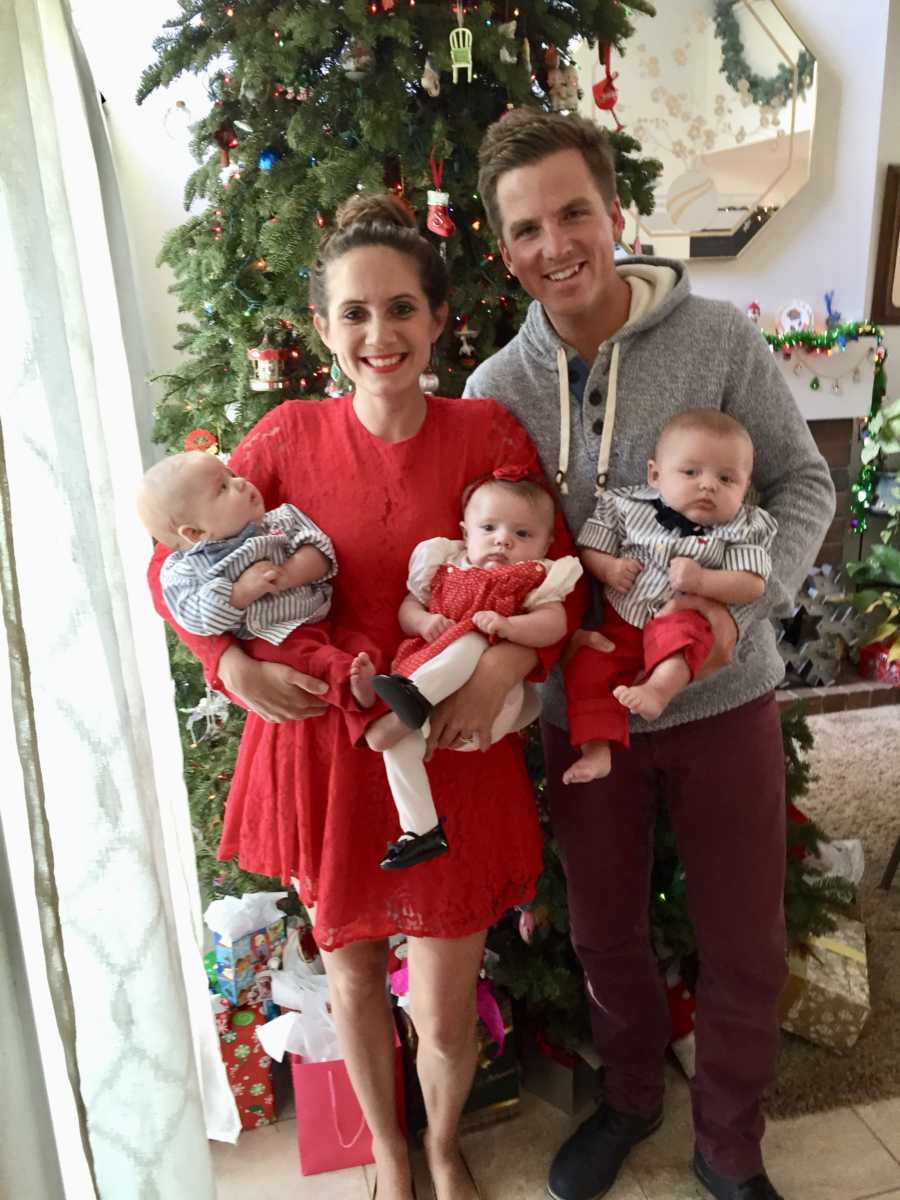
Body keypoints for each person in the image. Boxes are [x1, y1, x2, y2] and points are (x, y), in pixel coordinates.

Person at [147, 192, 583, 1200]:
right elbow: (171, 569)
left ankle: (441, 1146)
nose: (377, 334)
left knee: (440, 1004)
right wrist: (233, 668)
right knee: (348, 975)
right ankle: (390, 1156)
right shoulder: (283, 436)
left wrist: (508, 670)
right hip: (324, 758)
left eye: (399, 310)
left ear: (437, 320)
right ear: (323, 329)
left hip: (456, 757)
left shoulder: (487, 432)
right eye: (354, 313)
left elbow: (548, 570)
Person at [463, 109, 835, 1200]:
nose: (556, 243)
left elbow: (803, 483)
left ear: (614, 213)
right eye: (527, 226)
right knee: (604, 928)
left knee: (745, 941)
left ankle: (730, 1145)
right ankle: (629, 1097)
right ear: (504, 245)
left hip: (725, 699)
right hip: (583, 717)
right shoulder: (495, 392)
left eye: (575, 210)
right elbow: (489, 548)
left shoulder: (718, 340)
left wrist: (735, 620)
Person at [368, 470, 582, 869]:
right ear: (465, 532)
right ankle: (421, 831)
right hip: (435, 689)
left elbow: (555, 625)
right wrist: (421, 623)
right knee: (401, 746)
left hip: (489, 702)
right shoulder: (445, 564)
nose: (503, 540)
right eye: (489, 528)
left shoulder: (534, 577)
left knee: (474, 636)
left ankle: (415, 695)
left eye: (522, 534)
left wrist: (508, 627)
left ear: (545, 544)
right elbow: (408, 607)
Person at [563, 409, 777, 784]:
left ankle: (658, 690)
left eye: (726, 478)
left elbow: (753, 584)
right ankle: (597, 748)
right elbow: (590, 549)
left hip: (681, 616)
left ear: (744, 487)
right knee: (588, 663)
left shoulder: (743, 527)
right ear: (655, 474)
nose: (708, 485)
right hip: (622, 623)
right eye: (691, 472)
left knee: (684, 637)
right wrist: (609, 569)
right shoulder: (625, 505)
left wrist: (703, 581)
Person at [137, 450, 380, 714]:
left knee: (363, 651)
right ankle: (362, 703)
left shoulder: (279, 520)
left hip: (320, 619)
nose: (240, 482)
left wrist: (289, 573)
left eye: (232, 476)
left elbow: (320, 550)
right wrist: (240, 592)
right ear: (196, 532)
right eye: (222, 488)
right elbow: (195, 617)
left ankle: (385, 697)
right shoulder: (188, 570)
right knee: (317, 663)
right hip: (270, 638)